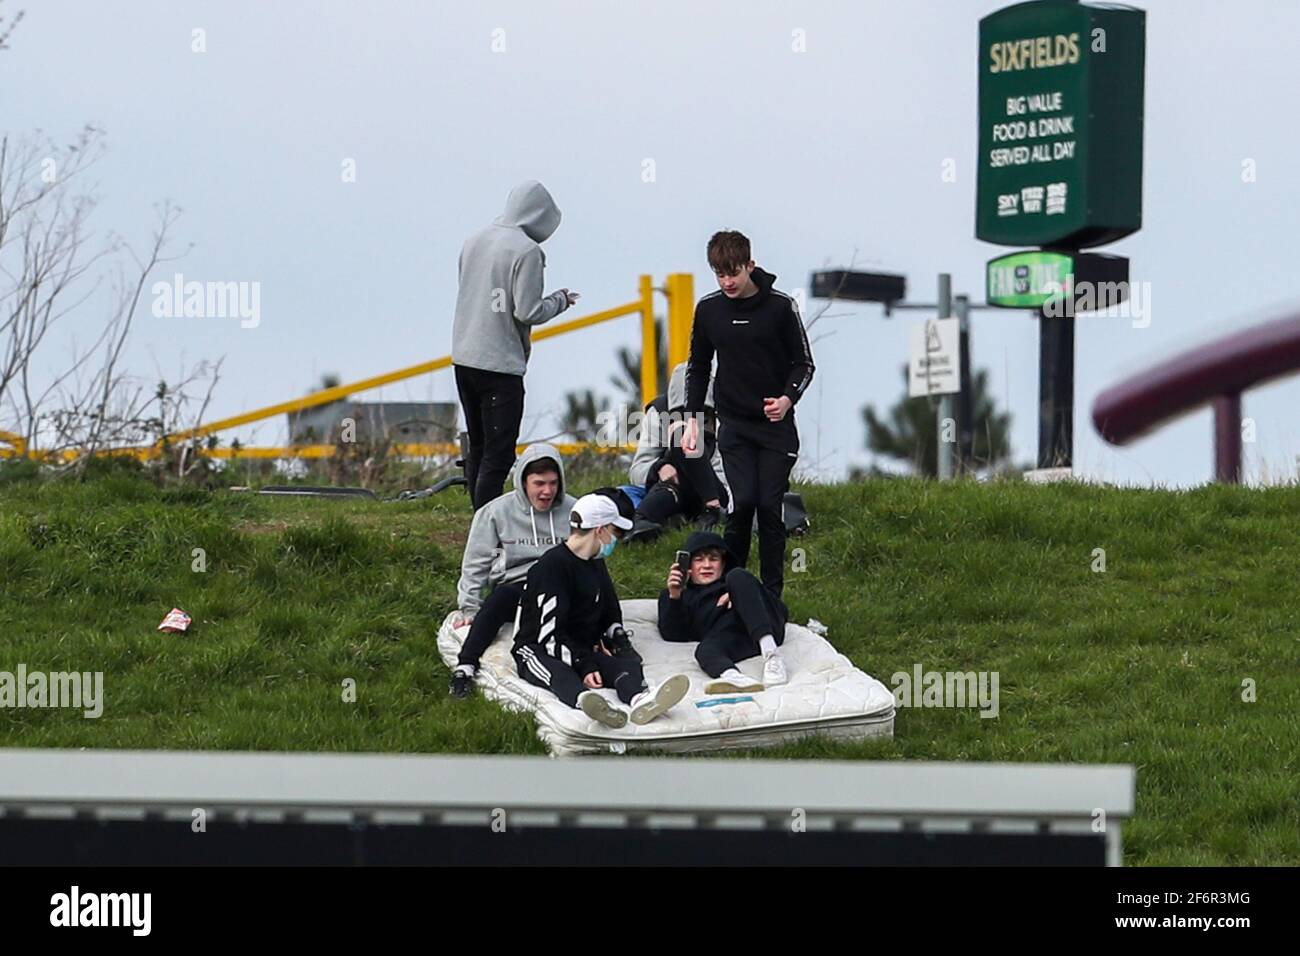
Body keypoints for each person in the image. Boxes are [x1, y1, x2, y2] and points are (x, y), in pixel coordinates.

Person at [682, 230, 814, 597]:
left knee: (768, 508)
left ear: (750, 267)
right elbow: (698, 367)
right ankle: (727, 590)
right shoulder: (709, 310)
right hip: (734, 425)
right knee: (742, 507)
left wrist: (787, 399)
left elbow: (804, 364)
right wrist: (692, 418)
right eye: (720, 274)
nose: (727, 282)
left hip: (775, 429)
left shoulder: (780, 307)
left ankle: (772, 595)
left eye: (733, 274)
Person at [452, 181, 579, 508]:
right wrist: (560, 300)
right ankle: (488, 527)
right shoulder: (527, 251)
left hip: (464, 358)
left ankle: (477, 521)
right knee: (499, 454)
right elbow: (528, 310)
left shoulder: (474, 240)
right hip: (500, 365)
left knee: (478, 446)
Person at [512, 494, 690, 728]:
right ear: (599, 530)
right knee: (558, 673)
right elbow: (549, 635)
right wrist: (585, 665)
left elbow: (605, 607)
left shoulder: (594, 561)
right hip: (539, 647)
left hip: (578, 647)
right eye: (614, 532)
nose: (616, 539)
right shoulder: (551, 567)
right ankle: (585, 701)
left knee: (624, 666)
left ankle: (640, 699)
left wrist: (602, 644)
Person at [449, 443, 576, 698]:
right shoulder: (494, 512)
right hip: (516, 589)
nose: (547, 491)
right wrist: (469, 607)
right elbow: (476, 564)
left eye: (553, 483)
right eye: (539, 483)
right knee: (499, 599)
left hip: (560, 588)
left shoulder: (575, 510)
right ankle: (465, 667)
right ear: (523, 482)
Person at [658, 530, 790, 694]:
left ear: (723, 563)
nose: (707, 565)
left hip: (765, 629)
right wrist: (674, 595)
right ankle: (734, 678)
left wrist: (739, 594)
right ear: (688, 567)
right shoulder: (678, 595)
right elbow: (673, 634)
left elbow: (781, 611)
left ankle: (772, 656)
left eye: (713, 559)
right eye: (699, 560)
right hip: (731, 639)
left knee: (737, 575)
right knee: (704, 650)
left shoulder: (737, 581)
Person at [626, 362, 728, 541]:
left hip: (716, 493)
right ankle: (644, 524)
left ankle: (646, 518)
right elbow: (636, 471)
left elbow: (729, 478)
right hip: (671, 488)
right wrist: (659, 468)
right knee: (679, 443)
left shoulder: (725, 415)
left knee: (682, 438)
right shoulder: (659, 413)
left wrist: (692, 470)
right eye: (681, 411)